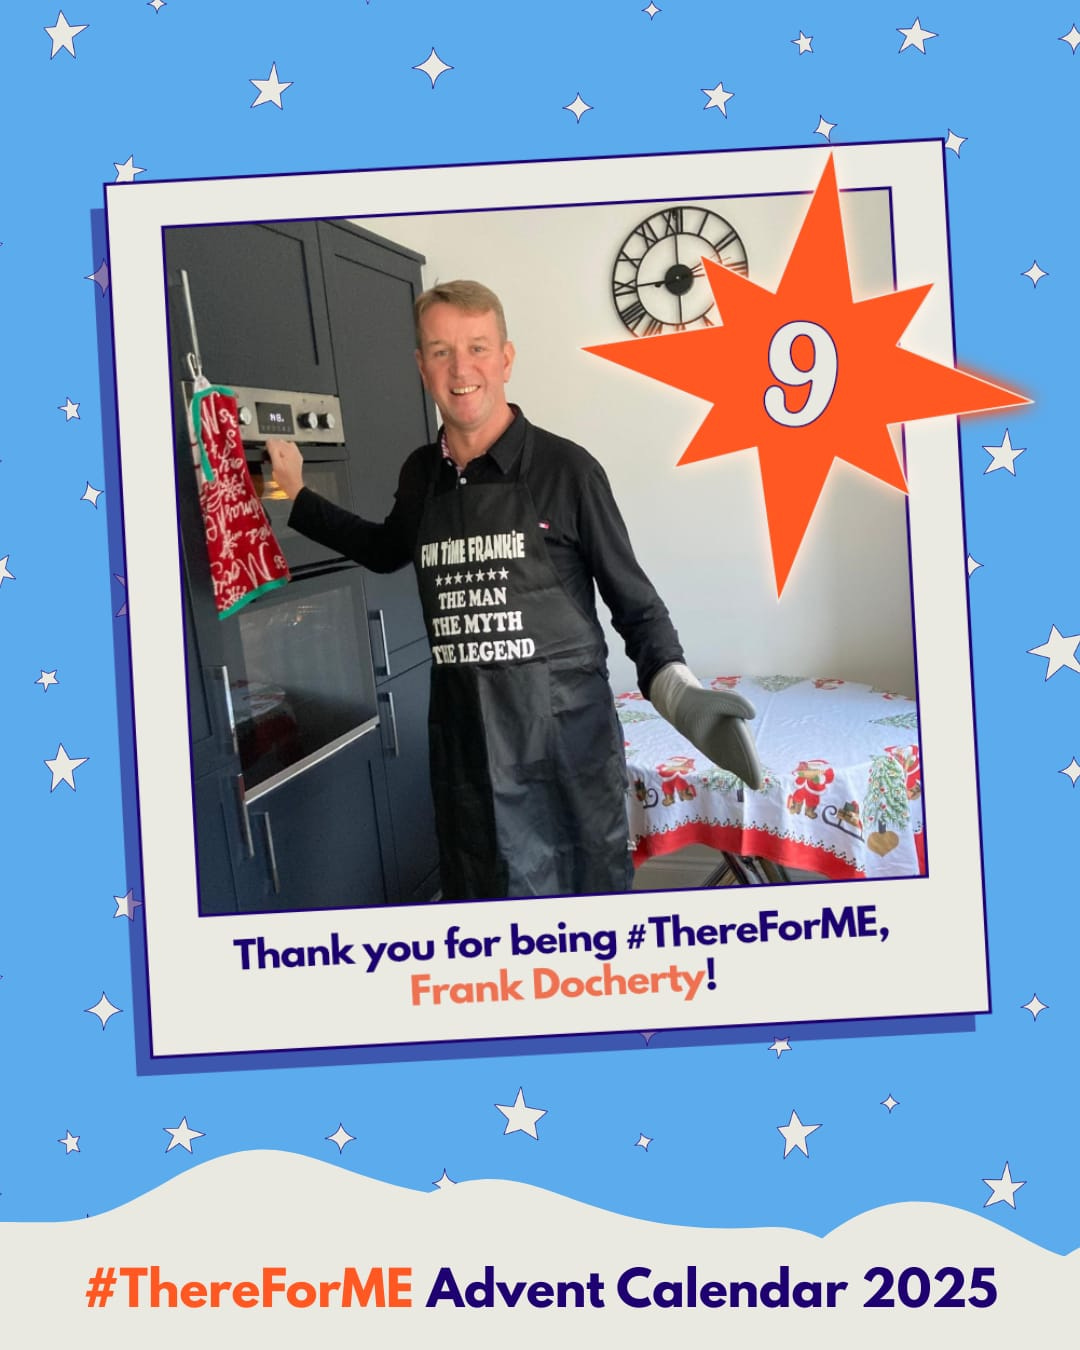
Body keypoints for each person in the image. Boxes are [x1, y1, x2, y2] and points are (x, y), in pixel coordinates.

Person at [266, 279, 760, 901]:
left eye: (477, 347)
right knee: (485, 912)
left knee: (588, 928)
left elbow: (634, 603)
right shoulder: (421, 475)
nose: (461, 367)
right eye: (441, 351)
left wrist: (678, 692)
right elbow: (386, 549)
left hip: (567, 757)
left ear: (506, 358)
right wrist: (298, 494)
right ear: (421, 366)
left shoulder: (568, 470)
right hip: (467, 757)